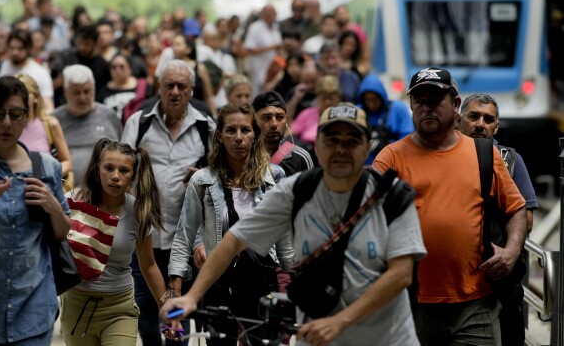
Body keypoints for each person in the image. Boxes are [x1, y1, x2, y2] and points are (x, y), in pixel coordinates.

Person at [162, 102, 426, 346]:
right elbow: (233, 241)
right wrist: (191, 296)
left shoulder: (393, 197)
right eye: (332, 140)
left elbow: (400, 275)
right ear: (318, 145)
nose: (341, 150)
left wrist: (340, 321)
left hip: (386, 339)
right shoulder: (296, 192)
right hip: (317, 338)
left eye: (352, 141)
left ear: (367, 146)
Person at [373, 67, 528, 345]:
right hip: (409, 304)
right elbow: (368, 222)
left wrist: (511, 252)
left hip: (475, 304)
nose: (426, 108)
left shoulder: (484, 154)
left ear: (455, 104)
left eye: (435, 100)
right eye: (419, 101)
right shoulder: (390, 159)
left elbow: (516, 209)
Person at [166, 103, 292, 345]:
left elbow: (284, 237)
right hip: (218, 283)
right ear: (220, 137)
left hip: (261, 281)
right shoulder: (202, 181)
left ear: (255, 135)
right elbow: (184, 235)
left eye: (245, 130)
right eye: (231, 131)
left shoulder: (274, 177)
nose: (238, 138)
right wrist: (175, 288)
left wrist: (294, 281)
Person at [0, 76, 71, 345]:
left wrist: (52, 205)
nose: (7, 123)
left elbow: (62, 232)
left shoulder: (47, 167)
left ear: (27, 118)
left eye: (16, 114)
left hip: (32, 310)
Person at [121, 59, 216, 346]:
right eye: (169, 85)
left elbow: (219, 177)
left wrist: (205, 175)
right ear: (158, 88)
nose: (175, 92)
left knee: (177, 318)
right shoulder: (138, 122)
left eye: (181, 86)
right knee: (146, 317)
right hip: (144, 237)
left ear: (191, 90)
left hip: (185, 240)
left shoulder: (205, 127)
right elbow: (121, 170)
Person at [60, 139, 169, 345]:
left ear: (133, 176)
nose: (116, 176)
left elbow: (148, 264)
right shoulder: (74, 202)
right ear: (97, 169)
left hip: (119, 306)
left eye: (124, 170)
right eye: (109, 168)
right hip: (77, 304)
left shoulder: (138, 212)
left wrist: (166, 308)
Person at [458, 93, 537, 346]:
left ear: (496, 126)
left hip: (499, 280)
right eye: (473, 116)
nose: (480, 124)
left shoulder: (511, 160)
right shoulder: (443, 155)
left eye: (488, 119)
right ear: (459, 120)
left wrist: (507, 251)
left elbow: (527, 217)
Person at [51, 65, 123, 187]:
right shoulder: (53, 120)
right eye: (76, 93)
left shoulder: (109, 115)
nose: (83, 97)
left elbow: (124, 153)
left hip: (107, 192)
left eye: (87, 91)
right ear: (65, 92)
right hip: (67, 192)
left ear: (94, 89)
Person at [0, 29, 55, 113]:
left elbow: (48, 106)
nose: (15, 52)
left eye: (20, 48)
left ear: (28, 48)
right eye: (12, 48)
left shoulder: (41, 73)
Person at [17, 74, 73, 181]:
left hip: (44, 187)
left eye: (25, 92)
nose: (20, 98)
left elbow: (67, 163)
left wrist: (48, 175)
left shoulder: (49, 123)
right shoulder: (7, 125)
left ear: (36, 97)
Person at [357, 73, 414, 164]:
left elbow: (408, 139)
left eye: (375, 99)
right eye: (368, 100)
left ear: (381, 96)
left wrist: (388, 144)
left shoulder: (398, 109)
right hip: (365, 166)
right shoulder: (358, 112)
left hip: (394, 163)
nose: (372, 104)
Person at [253, 91, 314, 174]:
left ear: (286, 120)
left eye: (280, 117)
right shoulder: (244, 154)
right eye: (267, 117)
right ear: (254, 121)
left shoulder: (300, 158)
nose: (274, 124)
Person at [291, 75, 341, 164]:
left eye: (331, 97)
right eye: (324, 97)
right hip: (306, 163)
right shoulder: (307, 114)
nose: (328, 102)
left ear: (339, 97)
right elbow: (289, 136)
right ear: (317, 97)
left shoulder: (344, 118)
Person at [243, 4, 282, 96]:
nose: (271, 16)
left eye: (273, 13)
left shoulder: (276, 28)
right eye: (268, 13)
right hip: (258, 70)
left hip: (273, 70)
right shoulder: (255, 27)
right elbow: (249, 49)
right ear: (263, 14)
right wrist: (271, 47)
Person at [97, 54, 150, 121]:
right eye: (114, 67)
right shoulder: (103, 91)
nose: (118, 70)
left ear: (130, 69)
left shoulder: (142, 87)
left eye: (122, 67)